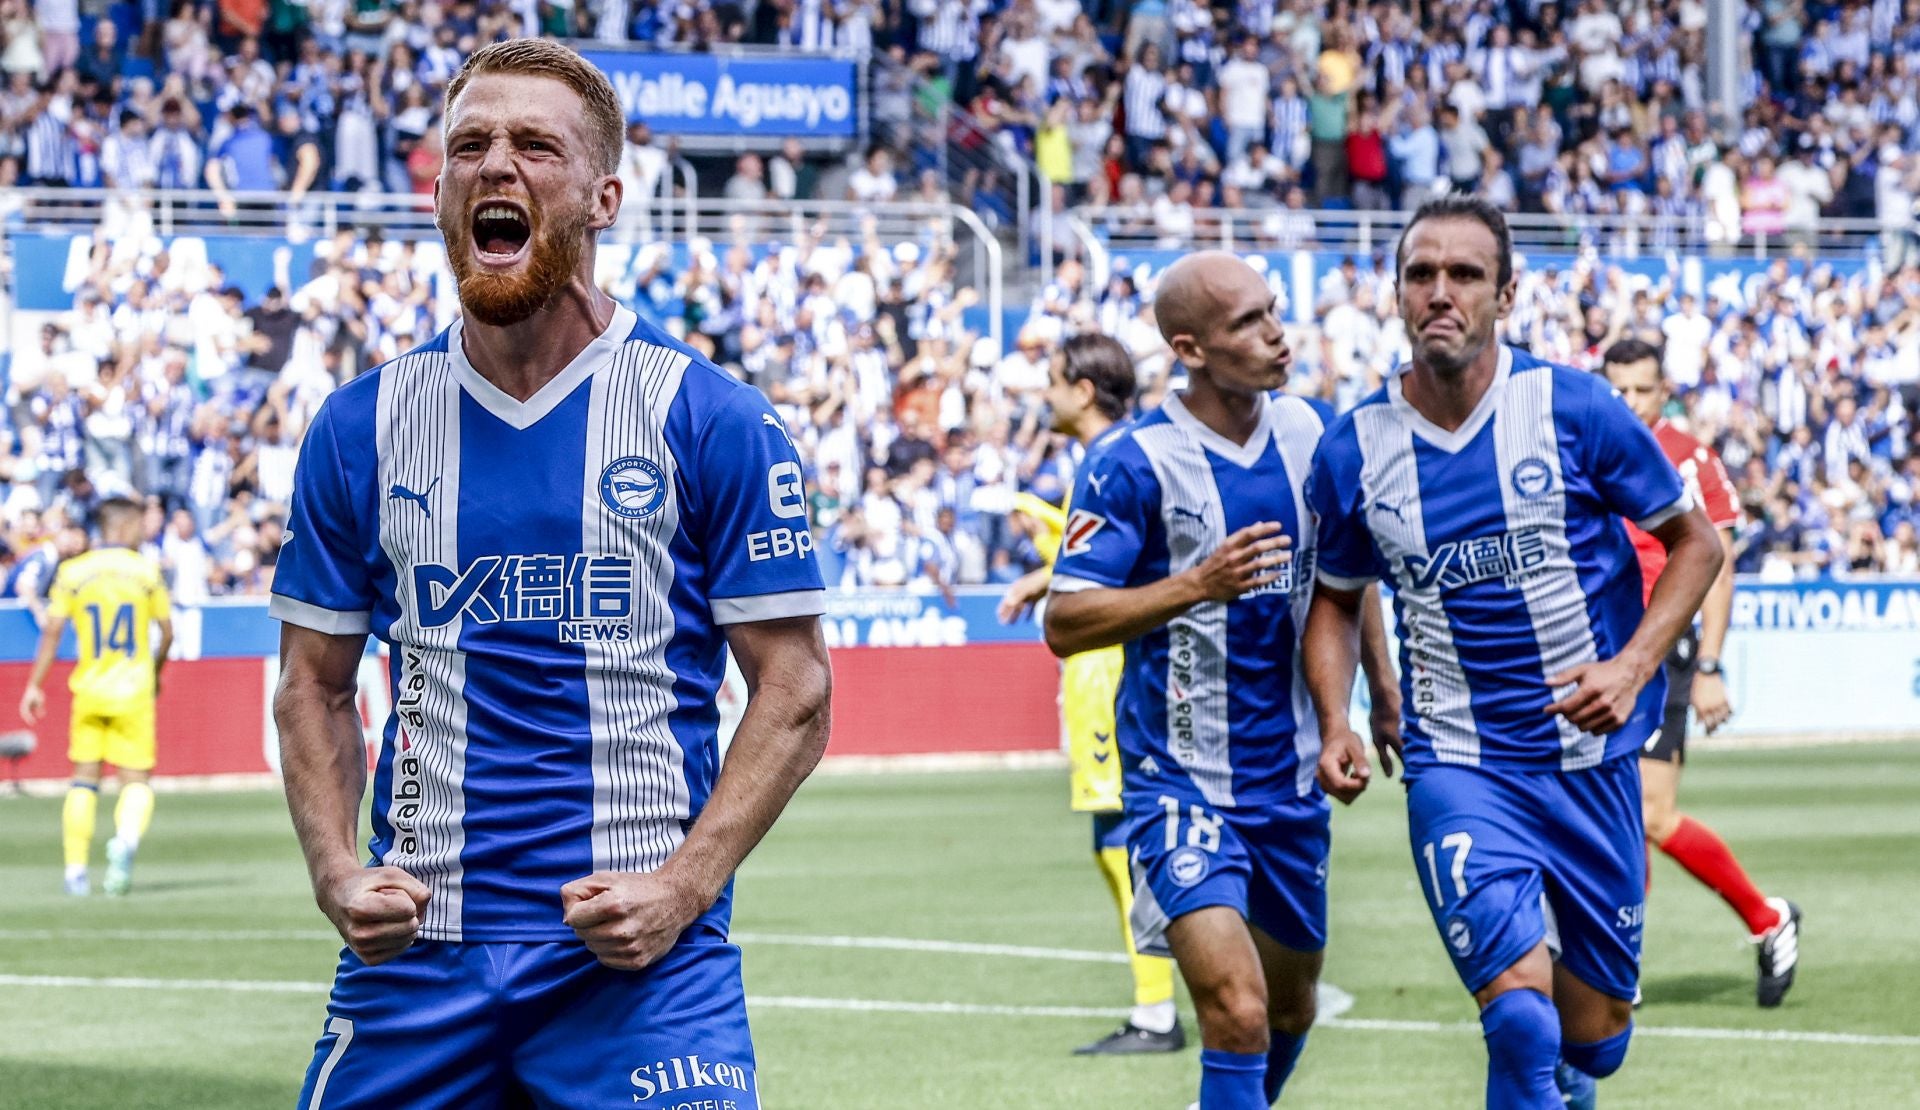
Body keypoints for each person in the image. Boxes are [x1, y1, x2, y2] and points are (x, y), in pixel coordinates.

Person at [269, 40, 832, 1108]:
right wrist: (338, 871)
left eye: (535, 145)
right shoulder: (361, 427)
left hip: (640, 963)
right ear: (437, 190)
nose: (496, 165)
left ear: (605, 195)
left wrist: (683, 887)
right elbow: (313, 682)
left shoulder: (709, 419)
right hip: (419, 956)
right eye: (469, 145)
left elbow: (796, 689)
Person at [1303, 197, 1723, 1109]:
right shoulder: (1356, 448)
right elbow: (1336, 596)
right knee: (1520, 1017)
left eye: (1465, 275)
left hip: (1592, 760)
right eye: (1422, 274)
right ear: (1397, 292)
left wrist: (1633, 666)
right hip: (1459, 760)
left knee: (1593, 1040)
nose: (1441, 293)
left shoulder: (1575, 408)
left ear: (1506, 293)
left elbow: (1698, 544)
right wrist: (1338, 717)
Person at [1044, 252, 1397, 1108]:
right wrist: (1195, 585)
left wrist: (1372, 702)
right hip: (1179, 784)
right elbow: (1065, 621)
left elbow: (1345, 585)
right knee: (1235, 1012)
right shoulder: (1133, 461)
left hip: (1291, 783)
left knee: (1288, 1007)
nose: (1276, 333)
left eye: (1273, 312)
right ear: (1190, 348)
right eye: (1247, 322)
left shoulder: (1315, 436)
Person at [996, 333, 1184, 1056]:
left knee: (1122, 840)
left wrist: (1045, 541)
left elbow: (1114, 570)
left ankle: (1157, 1011)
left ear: (1082, 390)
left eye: (1052, 381)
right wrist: (1041, 568)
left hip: (1108, 668)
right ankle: (1165, 1001)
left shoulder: (1113, 460)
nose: (1044, 395)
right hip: (1106, 667)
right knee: (1116, 839)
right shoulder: (1116, 457)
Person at [1599, 338, 1801, 1007]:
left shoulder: (1689, 457)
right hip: (1597, 646)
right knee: (1615, 814)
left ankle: (1766, 920)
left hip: (1662, 646)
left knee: (1651, 814)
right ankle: (1615, 966)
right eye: (1617, 387)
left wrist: (1710, 662)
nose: (1627, 401)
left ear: (1664, 393)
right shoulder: (1584, 444)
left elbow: (1715, 561)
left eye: (1641, 390)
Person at [19, 497, 173, 897]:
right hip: (134, 690)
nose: (144, 532)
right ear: (122, 527)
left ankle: (75, 872)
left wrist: (36, 684)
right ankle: (124, 843)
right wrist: (155, 673)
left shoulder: (73, 572)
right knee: (136, 783)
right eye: (139, 525)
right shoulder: (146, 571)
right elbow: (167, 632)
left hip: (89, 690)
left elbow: (52, 631)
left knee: (83, 783)